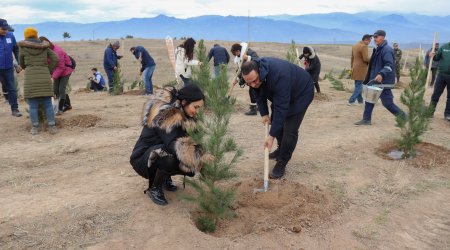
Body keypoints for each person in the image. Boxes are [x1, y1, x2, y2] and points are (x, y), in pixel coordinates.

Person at [130, 84, 212, 206]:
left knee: (183, 160)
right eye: (196, 107)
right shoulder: (166, 115)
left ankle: (164, 178)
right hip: (142, 159)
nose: (198, 111)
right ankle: (154, 188)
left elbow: (193, 141)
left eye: (200, 108)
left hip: (156, 153)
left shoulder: (187, 116)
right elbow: (172, 144)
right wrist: (199, 159)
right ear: (184, 102)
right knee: (171, 156)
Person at [241, 57, 314, 179]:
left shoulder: (279, 76)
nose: (253, 85)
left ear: (260, 71)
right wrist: (264, 113)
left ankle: (282, 162)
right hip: (284, 93)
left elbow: (281, 109)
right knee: (276, 122)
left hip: (301, 93)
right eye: (249, 83)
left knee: (289, 130)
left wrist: (271, 136)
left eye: (254, 81)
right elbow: (257, 93)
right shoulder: (255, 76)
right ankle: (280, 149)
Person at [355, 30, 405, 126]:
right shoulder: (378, 49)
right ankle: (366, 119)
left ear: (383, 37)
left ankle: (404, 118)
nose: (374, 39)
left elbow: (389, 65)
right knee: (370, 99)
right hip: (376, 80)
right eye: (373, 37)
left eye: (376, 37)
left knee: (387, 103)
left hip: (383, 81)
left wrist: (381, 74)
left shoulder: (386, 50)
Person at [18, 27, 59, 135]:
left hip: (30, 79)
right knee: (48, 104)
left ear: (25, 36)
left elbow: (21, 63)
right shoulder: (44, 47)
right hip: (44, 78)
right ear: (36, 35)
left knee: (33, 105)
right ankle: (52, 126)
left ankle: (35, 128)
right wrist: (48, 70)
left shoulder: (23, 48)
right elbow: (56, 59)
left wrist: (27, 67)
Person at [39, 36, 73, 115]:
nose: (44, 45)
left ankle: (60, 109)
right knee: (55, 89)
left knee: (61, 89)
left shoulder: (57, 51)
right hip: (56, 71)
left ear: (48, 41)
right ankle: (67, 105)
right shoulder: (44, 51)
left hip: (65, 70)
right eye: (41, 44)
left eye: (45, 42)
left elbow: (61, 67)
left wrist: (53, 77)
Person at [0, 18, 22, 117]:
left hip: (8, 67)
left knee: (12, 88)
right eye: (3, 29)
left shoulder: (10, 35)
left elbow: (16, 49)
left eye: (6, 29)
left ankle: (15, 109)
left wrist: (18, 63)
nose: (5, 31)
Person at [230, 43, 259, 115]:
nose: (235, 55)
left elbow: (258, 61)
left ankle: (253, 109)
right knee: (255, 91)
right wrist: (237, 79)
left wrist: (249, 58)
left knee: (252, 91)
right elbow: (241, 69)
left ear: (238, 51)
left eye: (235, 53)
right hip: (250, 76)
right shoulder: (239, 58)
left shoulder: (249, 52)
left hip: (256, 75)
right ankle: (258, 106)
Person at [348, 34, 372, 105]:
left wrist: (352, 67)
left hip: (355, 68)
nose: (370, 42)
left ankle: (360, 101)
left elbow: (352, 58)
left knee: (358, 84)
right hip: (361, 69)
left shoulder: (355, 45)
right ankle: (351, 100)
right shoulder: (364, 46)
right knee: (359, 85)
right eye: (370, 41)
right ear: (366, 40)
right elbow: (365, 59)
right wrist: (372, 60)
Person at [429, 41, 450, 121]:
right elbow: (436, 58)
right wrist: (432, 55)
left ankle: (448, 114)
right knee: (435, 94)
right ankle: (430, 112)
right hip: (441, 75)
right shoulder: (444, 47)